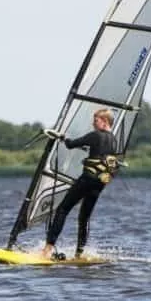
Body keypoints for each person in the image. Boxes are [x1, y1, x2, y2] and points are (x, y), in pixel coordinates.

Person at [40, 108, 122, 260]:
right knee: (84, 217)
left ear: (104, 122)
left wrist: (62, 137)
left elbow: (71, 144)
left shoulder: (95, 135)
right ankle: (79, 253)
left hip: (87, 179)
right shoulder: (114, 140)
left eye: (96, 120)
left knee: (63, 210)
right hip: (99, 184)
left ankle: (47, 249)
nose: (93, 123)